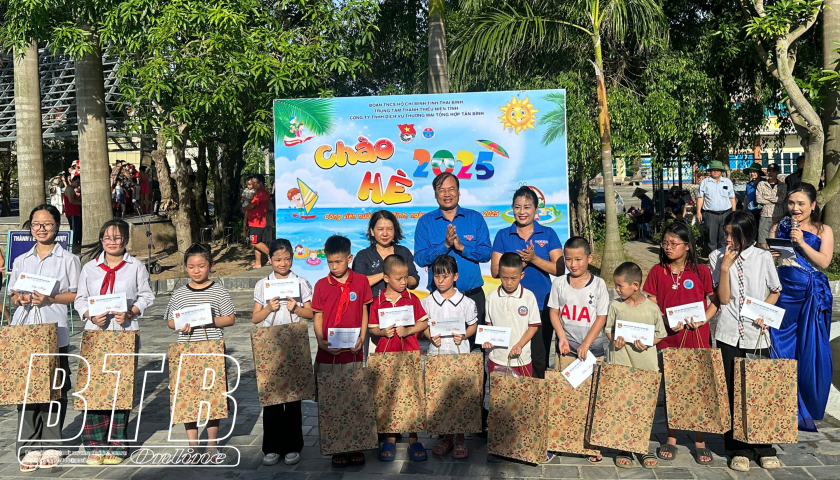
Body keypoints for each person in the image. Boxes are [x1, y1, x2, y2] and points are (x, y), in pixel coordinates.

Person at [74, 219, 154, 465]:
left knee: (120, 388)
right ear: (101, 240)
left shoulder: (135, 266)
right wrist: (90, 315)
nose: (112, 242)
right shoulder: (89, 268)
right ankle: (94, 444)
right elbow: (80, 299)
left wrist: (131, 311)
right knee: (93, 388)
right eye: (107, 238)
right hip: (95, 333)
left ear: (126, 240)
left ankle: (117, 443)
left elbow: (147, 295)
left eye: (117, 238)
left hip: (124, 333)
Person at [9, 205, 81, 472]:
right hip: (25, 331)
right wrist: (20, 298)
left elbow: (78, 295)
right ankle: (28, 445)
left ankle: (52, 442)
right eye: (36, 224)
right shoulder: (21, 260)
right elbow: (13, 294)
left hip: (54, 330)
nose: (41, 229)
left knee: (54, 386)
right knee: (26, 388)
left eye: (47, 224)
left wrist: (51, 298)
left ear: (57, 226)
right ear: (30, 227)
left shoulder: (68, 260)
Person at [709, 211, 782, 472]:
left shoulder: (762, 257)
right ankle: (737, 448)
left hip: (756, 334)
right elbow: (723, 299)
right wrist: (725, 268)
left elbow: (775, 290)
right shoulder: (717, 257)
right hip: (728, 333)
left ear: (747, 234)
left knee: (759, 389)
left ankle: (764, 446)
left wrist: (765, 313)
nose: (728, 239)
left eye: (734, 235)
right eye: (726, 234)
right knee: (732, 391)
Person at [643, 222, 718, 464]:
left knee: (699, 389)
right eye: (665, 243)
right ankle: (672, 437)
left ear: (687, 246)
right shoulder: (657, 271)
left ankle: (700, 441)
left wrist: (703, 319)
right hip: (669, 339)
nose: (668, 247)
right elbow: (652, 301)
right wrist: (664, 320)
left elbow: (715, 300)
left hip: (697, 338)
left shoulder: (701, 271)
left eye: (674, 243)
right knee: (672, 389)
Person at [769, 183, 834, 432]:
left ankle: (809, 401)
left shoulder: (823, 230)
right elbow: (774, 258)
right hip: (784, 293)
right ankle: (784, 399)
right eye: (791, 203)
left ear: (813, 205)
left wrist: (803, 243)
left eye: (801, 204)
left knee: (811, 347)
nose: (795, 208)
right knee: (780, 342)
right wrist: (771, 253)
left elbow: (824, 262)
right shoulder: (779, 226)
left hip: (812, 293)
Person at [164, 243, 236, 460]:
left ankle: (212, 444)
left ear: (210, 266)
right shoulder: (179, 294)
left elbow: (230, 318)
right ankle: (193, 446)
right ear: (186, 267)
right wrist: (181, 325)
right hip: (186, 350)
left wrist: (210, 321)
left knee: (213, 397)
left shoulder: (219, 291)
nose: (196, 271)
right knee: (187, 397)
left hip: (212, 349)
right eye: (191, 266)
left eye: (201, 266)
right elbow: (170, 321)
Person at [251, 239, 313, 467]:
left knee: (294, 397)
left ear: (292, 259)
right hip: (269, 342)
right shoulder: (262, 284)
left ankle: (293, 446)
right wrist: (269, 308)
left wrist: (296, 308)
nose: (283, 263)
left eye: (287, 259)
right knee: (272, 398)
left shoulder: (301, 282)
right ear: (269, 260)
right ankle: (271, 447)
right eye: (277, 259)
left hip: (294, 340)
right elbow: (255, 318)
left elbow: (311, 313)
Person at [311, 235, 371, 468]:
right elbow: (318, 315)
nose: (334, 267)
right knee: (331, 401)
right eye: (330, 262)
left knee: (355, 399)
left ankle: (355, 445)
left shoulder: (361, 282)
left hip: (353, 352)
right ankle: (336, 446)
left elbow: (364, 311)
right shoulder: (321, 285)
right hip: (329, 353)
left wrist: (362, 337)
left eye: (338, 261)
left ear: (349, 258)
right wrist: (320, 340)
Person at [491, 186, 563, 378]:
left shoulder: (548, 233)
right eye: (517, 207)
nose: (522, 212)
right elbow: (495, 271)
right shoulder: (503, 235)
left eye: (527, 207)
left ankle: (537, 394)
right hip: (509, 306)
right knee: (510, 354)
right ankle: (510, 393)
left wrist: (534, 259)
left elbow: (560, 269)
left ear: (536, 209)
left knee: (539, 357)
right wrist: (520, 263)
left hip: (541, 305)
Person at [368, 255, 429, 463]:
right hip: (386, 355)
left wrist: (409, 330)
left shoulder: (412, 299)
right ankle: (390, 438)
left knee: (412, 396)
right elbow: (373, 329)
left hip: (409, 354)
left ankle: (414, 439)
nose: (404, 282)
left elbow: (423, 323)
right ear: (386, 278)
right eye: (399, 278)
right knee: (387, 396)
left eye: (405, 277)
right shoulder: (377, 302)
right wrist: (382, 332)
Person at [605, 262, 665, 470]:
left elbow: (660, 334)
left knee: (643, 408)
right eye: (615, 285)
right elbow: (608, 330)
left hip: (646, 366)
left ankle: (643, 446)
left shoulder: (652, 308)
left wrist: (648, 343)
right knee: (622, 406)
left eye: (620, 286)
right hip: (620, 364)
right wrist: (615, 339)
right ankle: (625, 448)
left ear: (635, 285)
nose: (617, 289)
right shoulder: (615, 306)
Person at [483, 252, 541, 463]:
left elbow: (533, 326)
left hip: (522, 359)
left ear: (521, 275)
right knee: (499, 403)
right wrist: (488, 341)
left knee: (521, 402)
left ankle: (521, 446)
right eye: (504, 277)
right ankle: (499, 445)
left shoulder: (529, 297)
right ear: (499, 274)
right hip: (497, 359)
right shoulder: (492, 297)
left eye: (513, 278)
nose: (508, 282)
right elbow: (489, 325)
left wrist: (519, 345)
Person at [414, 172, 491, 327]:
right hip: (439, 299)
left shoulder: (475, 218)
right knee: (441, 341)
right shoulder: (425, 222)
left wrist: (462, 247)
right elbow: (420, 259)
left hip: (473, 296)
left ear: (458, 191)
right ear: (435, 194)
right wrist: (445, 245)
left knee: (475, 341)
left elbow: (486, 253)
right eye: (441, 190)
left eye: (451, 189)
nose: (447, 194)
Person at [421, 255, 478, 459]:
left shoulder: (466, 302)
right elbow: (423, 325)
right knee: (440, 397)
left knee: (460, 397)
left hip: (459, 354)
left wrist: (464, 335)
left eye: (445, 276)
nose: (440, 280)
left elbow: (473, 325)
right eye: (437, 276)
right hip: (436, 355)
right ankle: (446, 437)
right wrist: (430, 336)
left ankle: (460, 439)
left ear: (455, 276)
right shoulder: (427, 302)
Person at [547, 237, 609, 360]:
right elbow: (553, 312)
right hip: (566, 349)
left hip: (592, 350)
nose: (573, 264)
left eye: (578, 259)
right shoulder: (558, 283)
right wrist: (562, 337)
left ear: (589, 258)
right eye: (568, 259)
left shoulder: (599, 284)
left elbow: (601, 317)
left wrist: (586, 343)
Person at [353, 210, 420, 297]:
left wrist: (401, 277)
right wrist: (386, 274)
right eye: (380, 229)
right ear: (372, 231)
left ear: (395, 231)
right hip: (372, 304)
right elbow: (358, 284)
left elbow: (414, 281)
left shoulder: (403, 252)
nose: (385, 234)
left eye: (389, 229)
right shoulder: (363, 256)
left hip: (400, 304)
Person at [696, 160, 736, 252]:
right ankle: (712, 258)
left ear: (721, 171)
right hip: (710, 215)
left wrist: (733, 213)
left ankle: (724, 256)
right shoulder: (704, 182)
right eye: (714, 170)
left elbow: (732, 198)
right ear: (710, 171)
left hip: (725, 213)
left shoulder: (727, 182)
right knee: (711, 239)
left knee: (725, 238)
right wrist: (698, 212)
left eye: (718, 170)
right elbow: (700, 197)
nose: (716, 172)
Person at [242, 174, 270, 269]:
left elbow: (252, 205)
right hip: (254, 222)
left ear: (260, 183)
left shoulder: (261, 193)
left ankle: (272, 255)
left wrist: (244, 209)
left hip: (256, 223)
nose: (252, 185)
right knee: (256, 243)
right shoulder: (260, 192)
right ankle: (258, 263)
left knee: (255, 242)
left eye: (254, 183)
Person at [755, 163, 786, 248]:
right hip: (765, 214)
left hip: (778, 215)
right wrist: (775, 199)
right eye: (769, 171)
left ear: (778, 172)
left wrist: (765, 197)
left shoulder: (783, 185)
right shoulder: (761, 184)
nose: (771, 173)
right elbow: (759, 199)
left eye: (774, 171)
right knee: (763, 240)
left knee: (776, 239)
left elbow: (781, 199)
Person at [63, 175, 82, 253]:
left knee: (77, 229)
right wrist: (81, 203)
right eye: (77, 182)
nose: (78, 184)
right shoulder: (69, 189)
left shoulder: (72, 190)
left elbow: (75, 199)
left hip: (75, 212)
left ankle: (76, 244)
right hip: (72, 212)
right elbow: (71, 201)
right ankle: (74, 245)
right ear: (73, 181)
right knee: (74, 230)